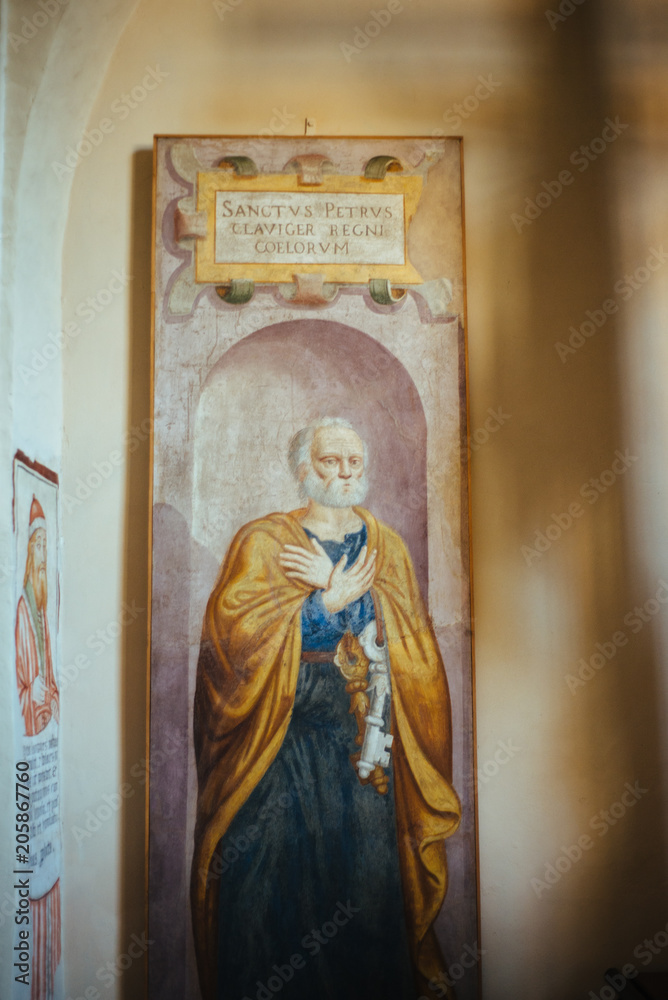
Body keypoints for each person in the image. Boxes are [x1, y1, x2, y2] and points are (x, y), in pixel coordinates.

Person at [191, 418, 461, 1000]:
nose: (344, 473)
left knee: (365, 890)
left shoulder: (386, 548)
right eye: (330, 461)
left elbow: (413, 646)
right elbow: (231, 642)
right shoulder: (264, 542)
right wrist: (325, 601)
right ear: (303, 468)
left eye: (353, 462)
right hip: (276, 742)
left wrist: (357, 604)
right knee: (262, 889)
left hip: (361, 745)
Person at [14, 495, 61, 1000]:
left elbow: (49, 681)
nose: (44, 556)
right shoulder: (24, 613)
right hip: (32, 753)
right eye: (39, 547)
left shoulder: (44, 611)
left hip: (46, 762)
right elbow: (22, 693)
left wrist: (53, 695)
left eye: (49, 545)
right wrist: (39, 698)